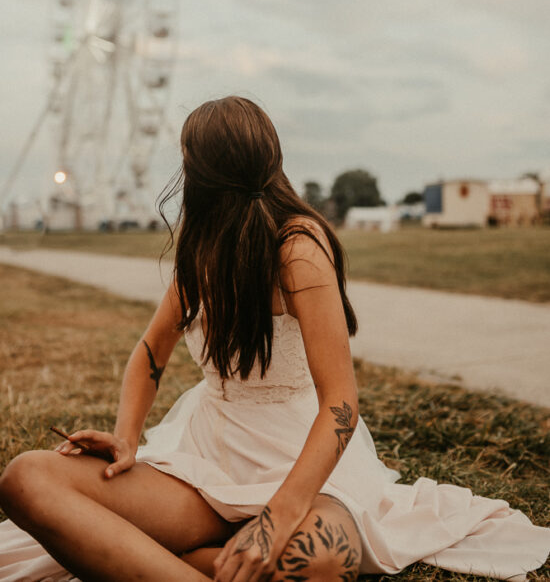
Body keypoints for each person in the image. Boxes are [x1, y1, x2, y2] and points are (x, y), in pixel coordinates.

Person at [0, 95, 548, 582]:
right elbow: (150, 351)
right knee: (26, 479)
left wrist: (277, 519)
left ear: (198, 175)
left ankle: (155, 560)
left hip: (303, 464)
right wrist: (126, 436)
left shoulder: (299, 247)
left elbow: (341, 402)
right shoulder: (201, 250)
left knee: (320, 560)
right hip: (204, 462)